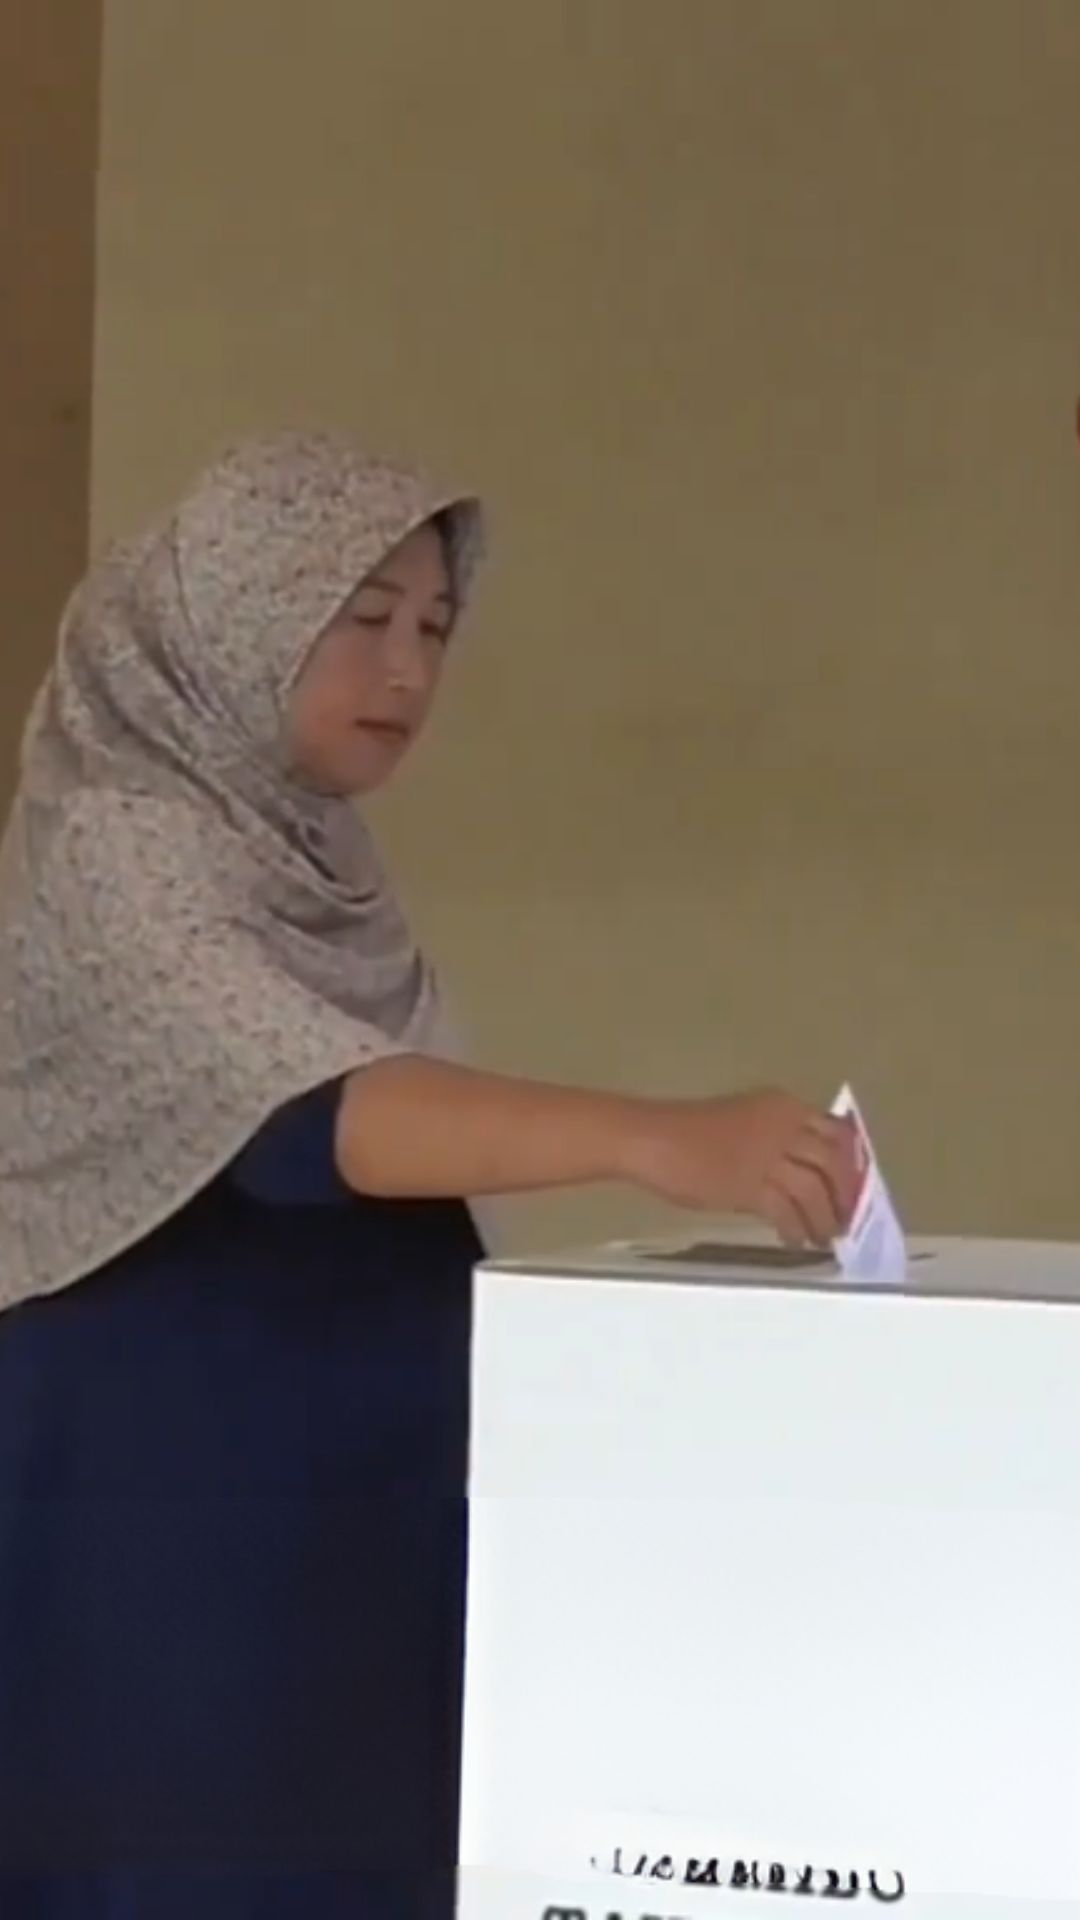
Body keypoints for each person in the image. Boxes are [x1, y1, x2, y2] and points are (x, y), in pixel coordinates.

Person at [0, 431, 858, 1919]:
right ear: (239, 612)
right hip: (174, 1501)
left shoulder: (307, 849)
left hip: (348, 1502)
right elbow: (306, 1112)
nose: (407, 670)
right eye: (362, 617)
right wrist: (659, 1137)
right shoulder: (119, 842)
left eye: (436, 628)